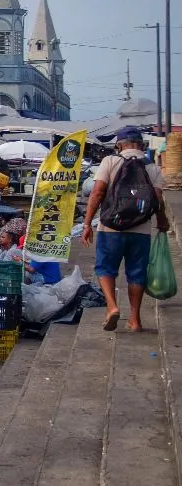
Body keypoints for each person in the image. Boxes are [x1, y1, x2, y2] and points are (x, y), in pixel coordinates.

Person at [83, 126, 169, 332]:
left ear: (119, 145)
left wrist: (87, 223)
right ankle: (135, 320)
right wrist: (162, 221)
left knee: (105, 269)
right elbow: (158, 199)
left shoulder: (110, 161)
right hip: (141, 230)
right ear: (141, 145)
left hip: (111, 228)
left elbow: (97, 193)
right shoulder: (152, 167)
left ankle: (112, 307)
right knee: (137, 273)